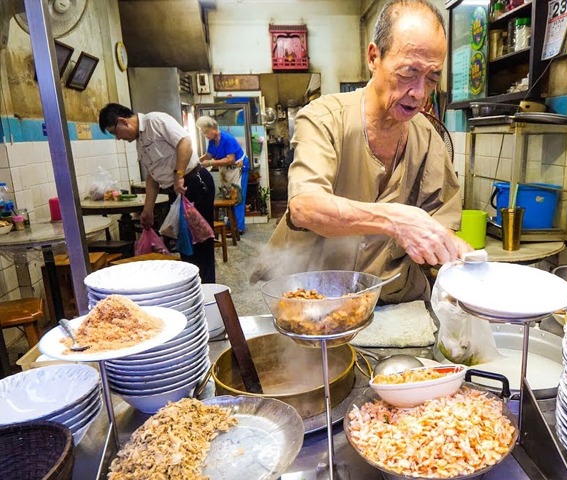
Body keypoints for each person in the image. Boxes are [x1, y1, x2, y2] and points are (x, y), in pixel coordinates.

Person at [254, 0, 472, 303]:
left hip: (393, 297)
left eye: (432, 77)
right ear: (374, 57)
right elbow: (305, 207)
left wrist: (453, 250)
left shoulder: (428, 139)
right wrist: (396, 220)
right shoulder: (324, 118)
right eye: (409, 72)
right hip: (317, 297)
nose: (420, 93)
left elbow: (440, 223)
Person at [98, 103, 216, 283]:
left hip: (194, 183)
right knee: (184, 243)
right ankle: (192, 287)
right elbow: (152, 178)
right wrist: (148, 209)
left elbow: (185, 142)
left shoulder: (155, 121)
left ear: (122, 122)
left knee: (201, 243)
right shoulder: (140, 143)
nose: (118, 138)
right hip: (176, 192)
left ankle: (207, 290)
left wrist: (179, 175)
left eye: (115, 133)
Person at [195, 116, 250, 233]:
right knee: (227, 195)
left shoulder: (227, 139)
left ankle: (238, 227)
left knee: (237, 196)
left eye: (206, 131)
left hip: (238, 169)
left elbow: (230, 159)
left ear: (213, 128)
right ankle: (230, 223)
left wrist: (210, 163)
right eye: (203, 132)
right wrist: (195, 161)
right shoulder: (212, 141)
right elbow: (208, 155)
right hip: (227, 171)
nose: (205, 134)